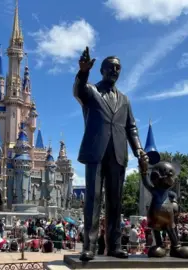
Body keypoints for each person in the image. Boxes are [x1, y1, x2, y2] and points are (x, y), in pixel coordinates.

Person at [73, 46, 147, 261]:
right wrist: (83, 71)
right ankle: (90, 246)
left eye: (119, 68)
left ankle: (114, 245)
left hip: (118, 154)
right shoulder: (90, 91)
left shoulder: (124, 99)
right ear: (102, 70)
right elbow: (77, 90)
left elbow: (131, 127)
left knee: (116, 201)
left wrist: (139, 150)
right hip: (95, 153)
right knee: (93, 200)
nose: (115, 71)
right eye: (111, 67)